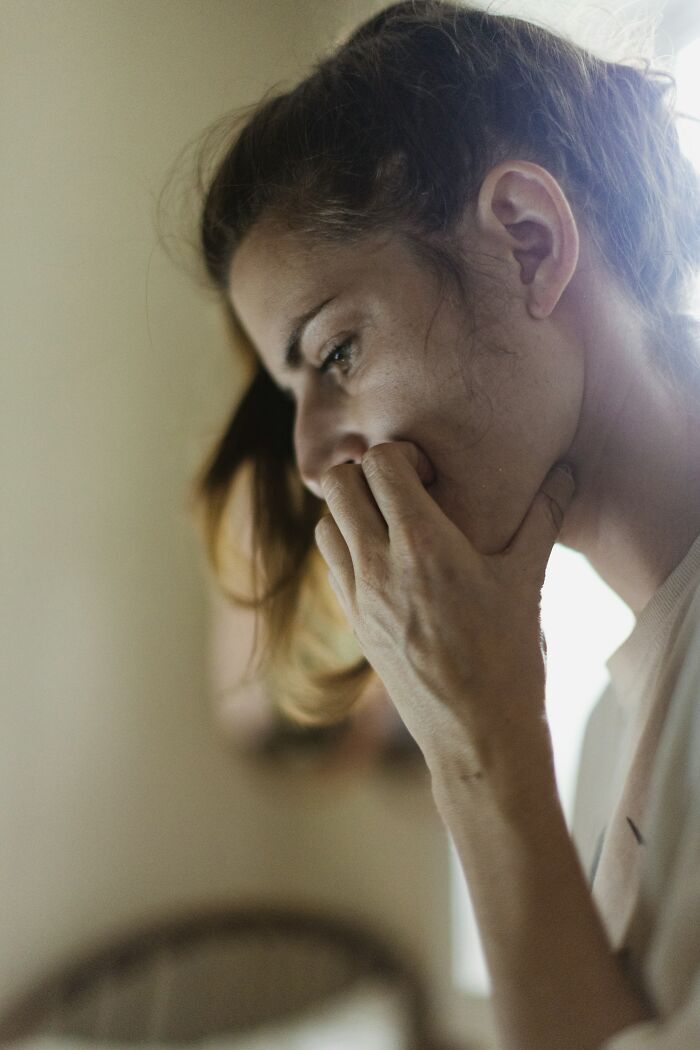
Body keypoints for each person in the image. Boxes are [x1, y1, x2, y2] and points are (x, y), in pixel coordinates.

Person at [177, 1, 700, 1046]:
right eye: (294, 392)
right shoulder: (611, 735)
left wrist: (476, 751)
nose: (311, 456)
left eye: (335, 352)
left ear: (528, 242)